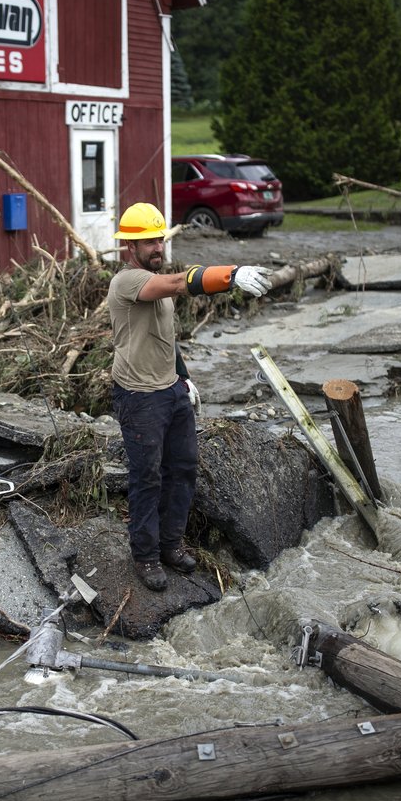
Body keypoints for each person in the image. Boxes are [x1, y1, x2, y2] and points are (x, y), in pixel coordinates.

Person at [106, 202, 272, 591]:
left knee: (182, 469)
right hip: (139, 396)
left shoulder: (156, 283)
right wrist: (231, 275)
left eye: (159, 239)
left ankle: (171, 545)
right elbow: (183, 283)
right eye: (148, 241)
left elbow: (166, 339)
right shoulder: (128, 282)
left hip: (171, 391)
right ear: (129, 245)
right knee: (147, 477)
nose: (156, 247)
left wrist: (185, 378)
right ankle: (146, 557)